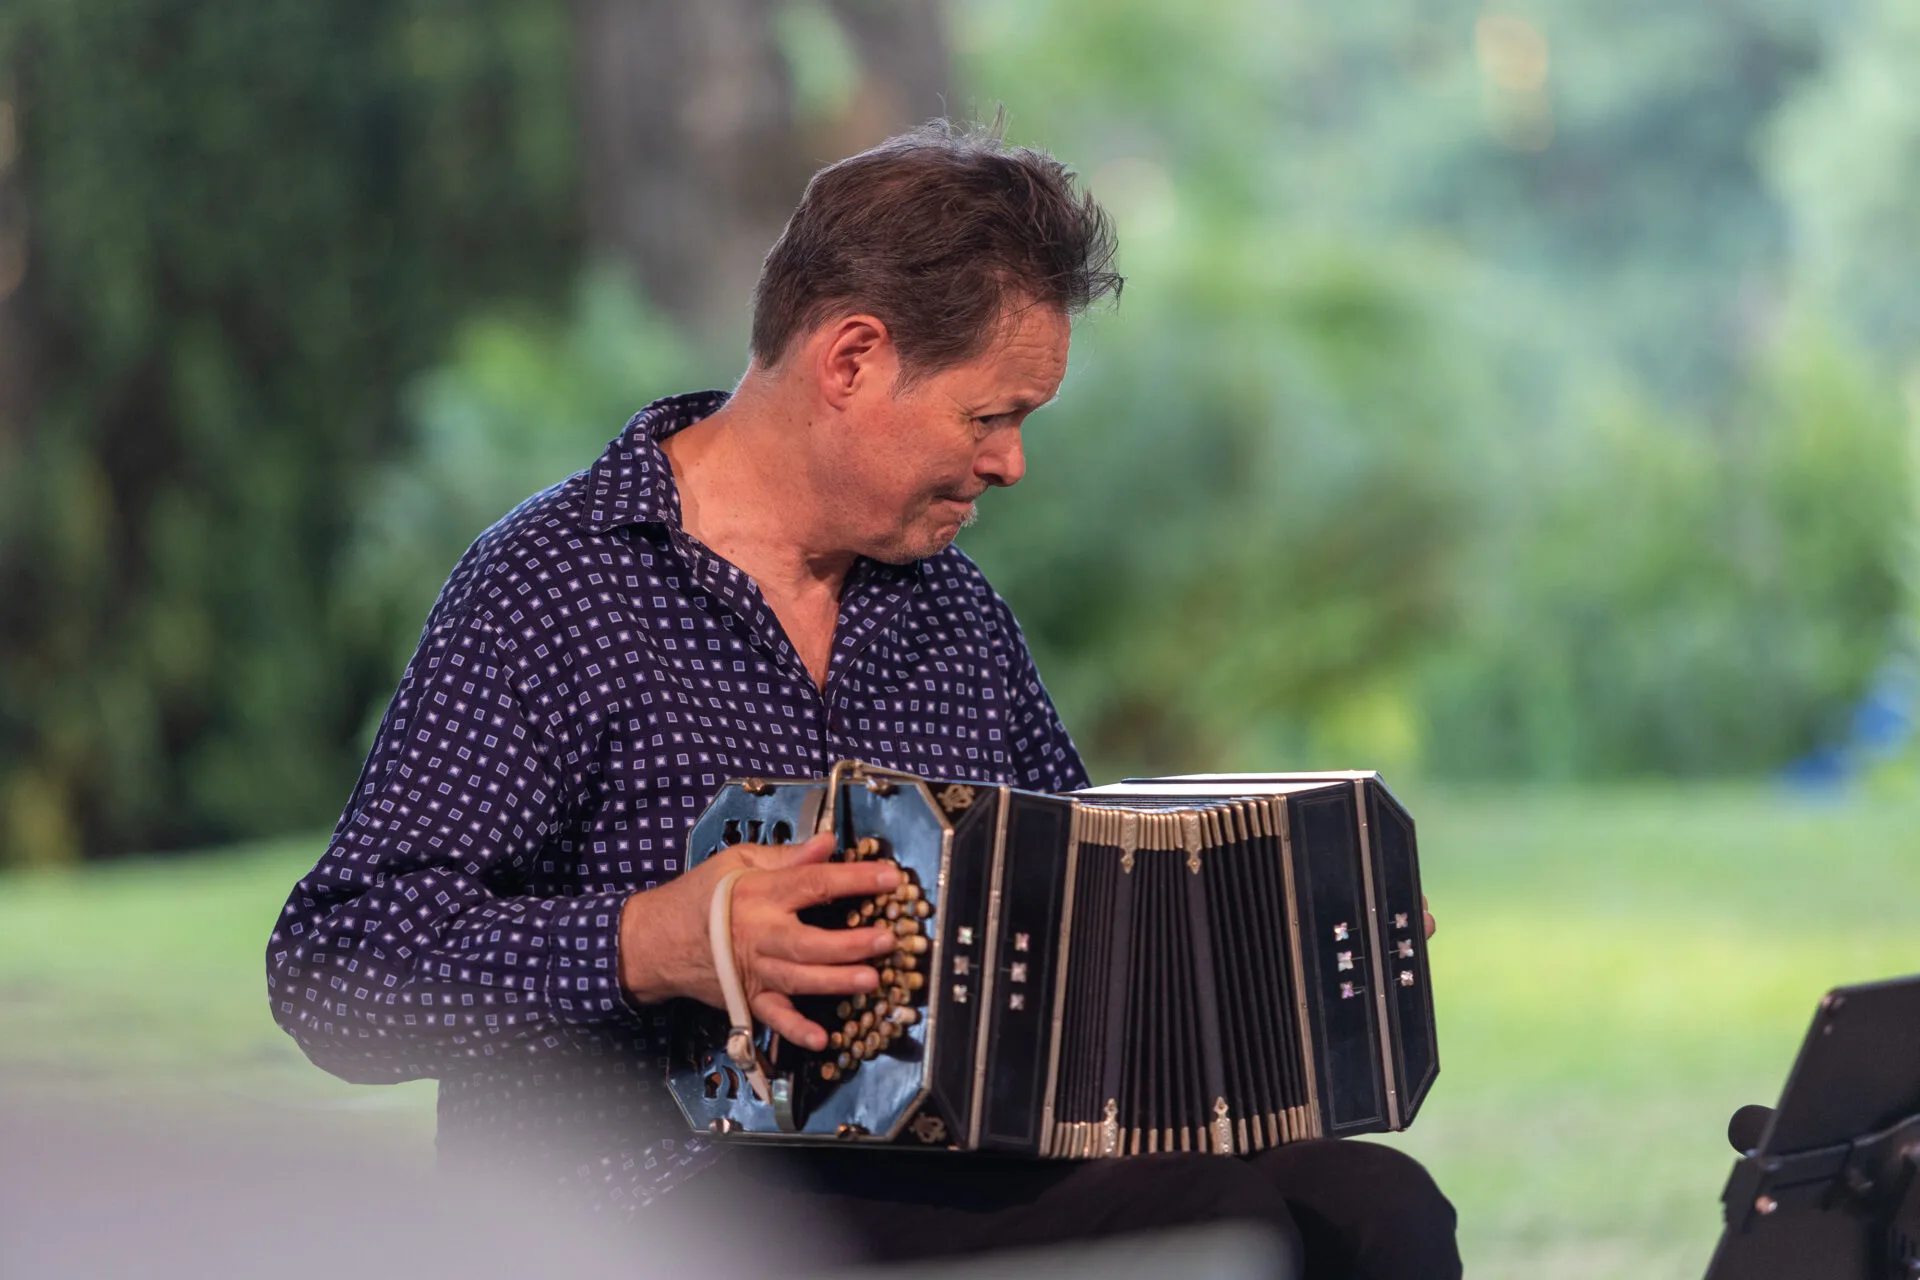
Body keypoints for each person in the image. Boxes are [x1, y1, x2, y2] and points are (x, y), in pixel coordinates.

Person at [266, 118, 1459, 1279]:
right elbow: (332, 971)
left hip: (951, 1168)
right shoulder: (554, 585)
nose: (1011, 463)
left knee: (1376, 1205)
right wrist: (656, 939)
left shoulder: (951, 610)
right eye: (990, 416)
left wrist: (1295, 949)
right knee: (1209, 1218)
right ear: (851, 359)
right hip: (641, 1203)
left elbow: (1096, 921)